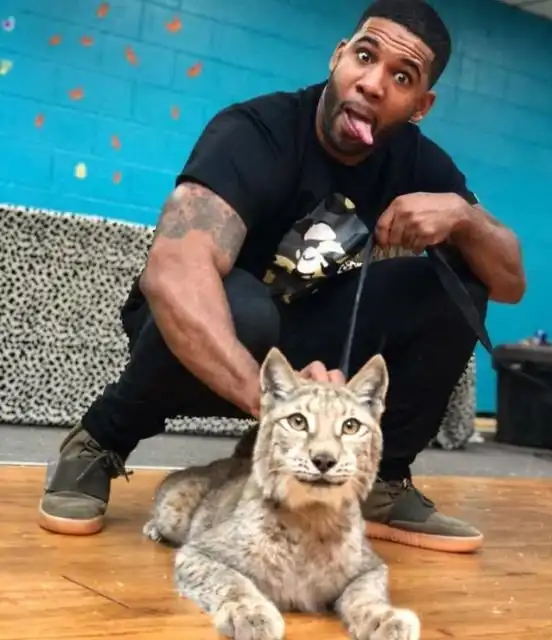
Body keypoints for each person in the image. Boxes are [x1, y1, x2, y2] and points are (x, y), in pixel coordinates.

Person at [38, 0, 525, 553]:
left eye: (402, 77)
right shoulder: (255, 131)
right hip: (209, 330)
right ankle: (100, 440)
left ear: (421, 106)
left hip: (305, 334)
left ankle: (383, 481)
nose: (372, 84)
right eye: (365, 57)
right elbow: (173, 276)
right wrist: (281, 404)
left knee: (454, 287)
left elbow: (509, 284)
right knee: (245, 309)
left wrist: (462, 217)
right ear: (338, 56)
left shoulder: (419, 164)